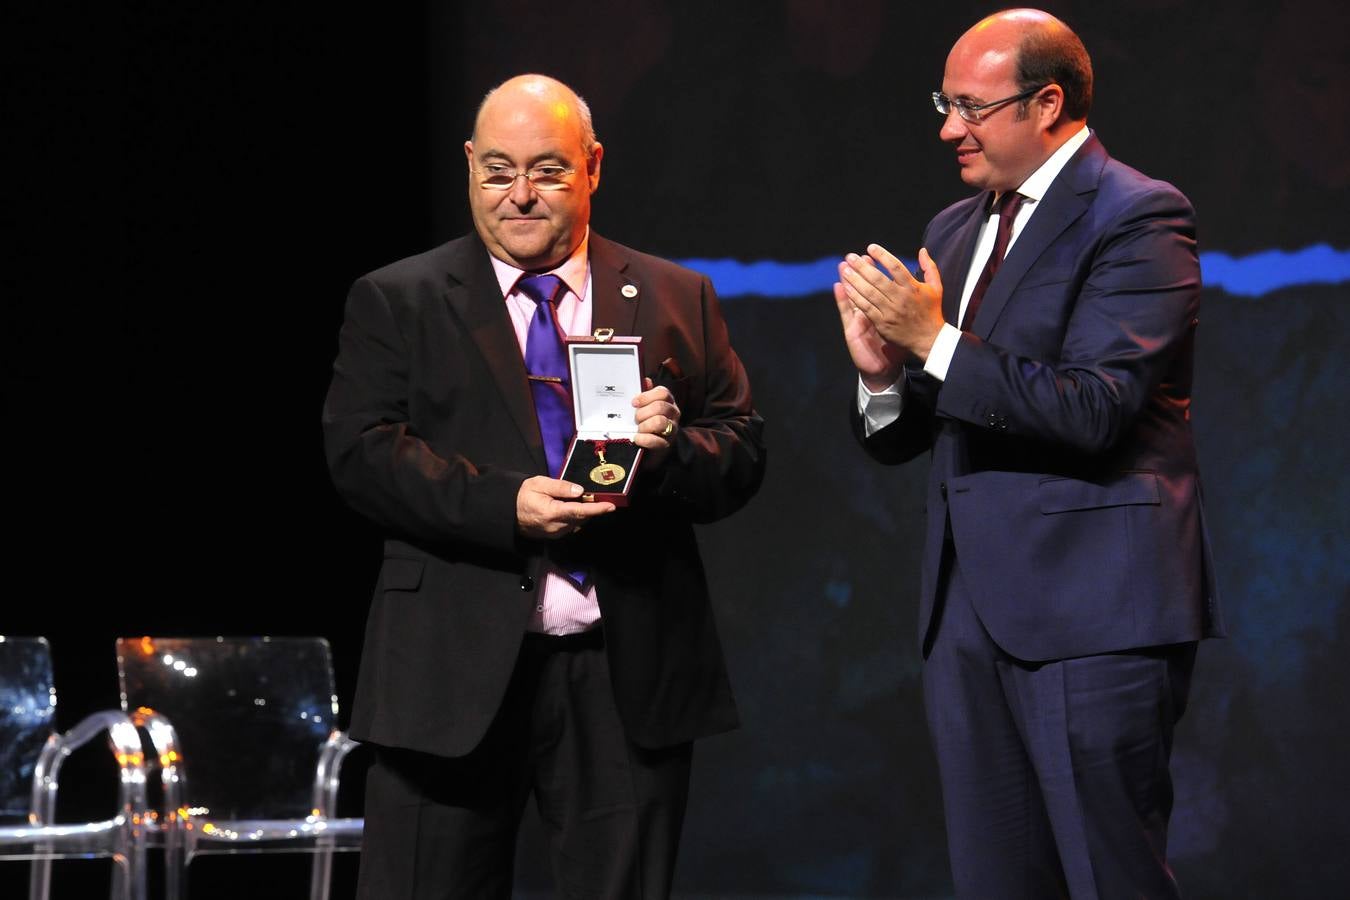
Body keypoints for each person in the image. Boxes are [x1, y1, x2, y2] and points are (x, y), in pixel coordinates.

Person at [323, 74, 764, 899]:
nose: (519, 195)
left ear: (593, 166)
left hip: (625, 677)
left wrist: (664, 454)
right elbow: (362, 454)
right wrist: (506, 506)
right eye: (497, 171)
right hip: (446, 675)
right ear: (468, 166)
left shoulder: (675, 296)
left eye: (547, 170)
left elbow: (739, 451)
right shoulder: (399, 299)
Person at [832, 9, 1222, 898]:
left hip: (1093, 615)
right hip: (968, 617)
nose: (946, 128)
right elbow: (923, 425)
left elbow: (1096, 408)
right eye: (945, 102)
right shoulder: (957, 227)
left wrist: (933, 343)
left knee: (1107, 874)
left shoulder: (1139, 216)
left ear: (1047, 103)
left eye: (970, 106)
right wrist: (884, 376)